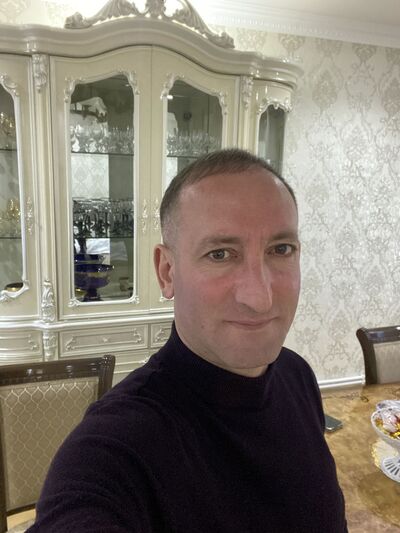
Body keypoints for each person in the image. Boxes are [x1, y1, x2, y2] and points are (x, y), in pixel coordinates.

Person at [28, 149, 347, 532]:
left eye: (281, 250)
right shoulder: (115, 447)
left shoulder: (297, 376)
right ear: (167, 271)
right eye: (220, 254)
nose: (259, 297)